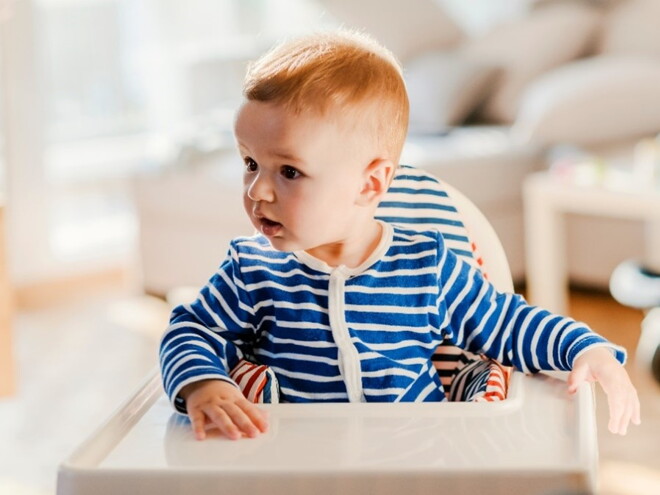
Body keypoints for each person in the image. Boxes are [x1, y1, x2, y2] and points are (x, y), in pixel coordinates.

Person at [159, 30, 640, 442]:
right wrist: (202, 384)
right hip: (293, 467)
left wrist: (586, 349)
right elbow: (191, 328)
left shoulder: (427, 268)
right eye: (249, 163)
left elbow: (508, 324)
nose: (258, 189)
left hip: (417, 464)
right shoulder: (251, 271)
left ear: (369, 184)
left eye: (288, 170)